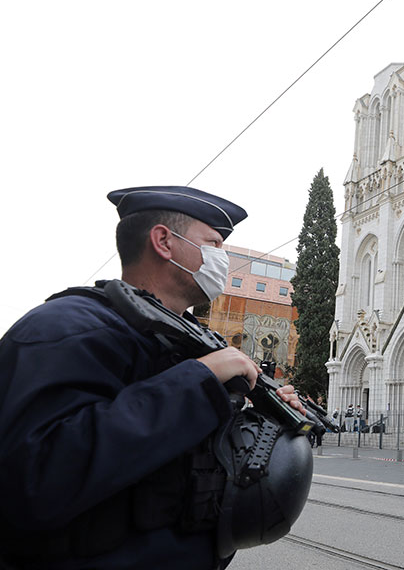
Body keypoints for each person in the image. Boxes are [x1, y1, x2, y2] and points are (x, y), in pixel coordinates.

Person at [0, 186, 308, 569]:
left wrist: (270, 421)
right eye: (213, 243)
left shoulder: (197, 342)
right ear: (164, 241)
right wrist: (199, 382)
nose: (222, 259)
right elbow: (32, 481)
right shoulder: (64, 328)